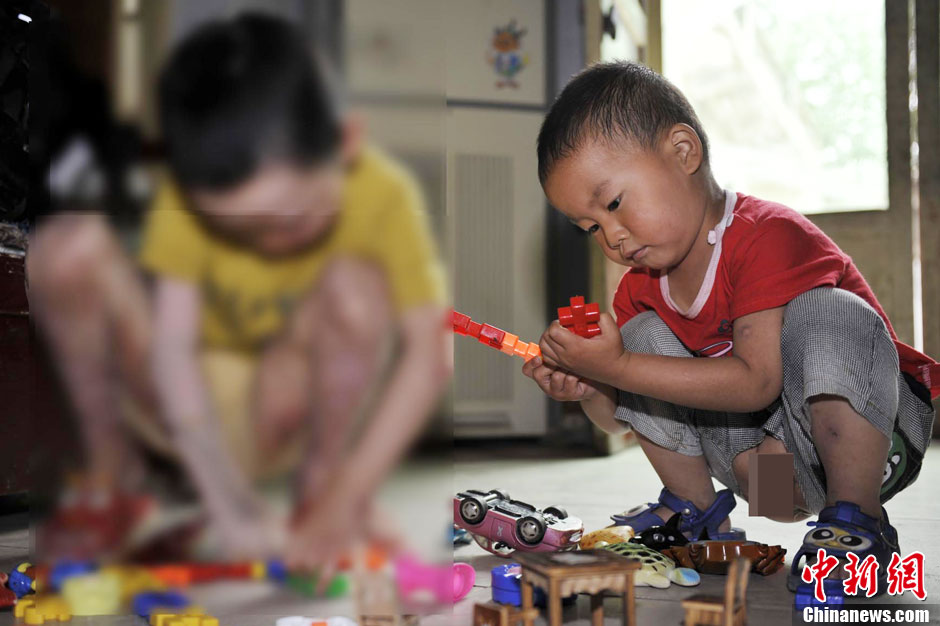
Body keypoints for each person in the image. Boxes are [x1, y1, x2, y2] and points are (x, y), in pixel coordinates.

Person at [28, 13, 449, 570]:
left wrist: (347, 492)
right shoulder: (186, 196)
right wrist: (230, 508)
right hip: (178, 404)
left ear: (347, 141)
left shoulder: (385, 195)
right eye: (237, 230)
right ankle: (114, 478)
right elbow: (172, 352)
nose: (269, 245)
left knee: (358, 287)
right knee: (65, 247)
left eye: (291, 221)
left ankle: (323, 488)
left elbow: (429, 354)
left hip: (282, 408)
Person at [523, 61, 937, 597]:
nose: (613, 237)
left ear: (683, 152)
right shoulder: (640, 289)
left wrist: (616, 365)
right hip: (771, 482)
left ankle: (858, 522)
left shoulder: (767, 235)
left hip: (871, 448)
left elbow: (758, 382)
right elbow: (617, 422)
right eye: (592, 228)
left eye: (615, 204)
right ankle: (696, 516)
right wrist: (591, 383)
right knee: (643, 336)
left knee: (829, 310)